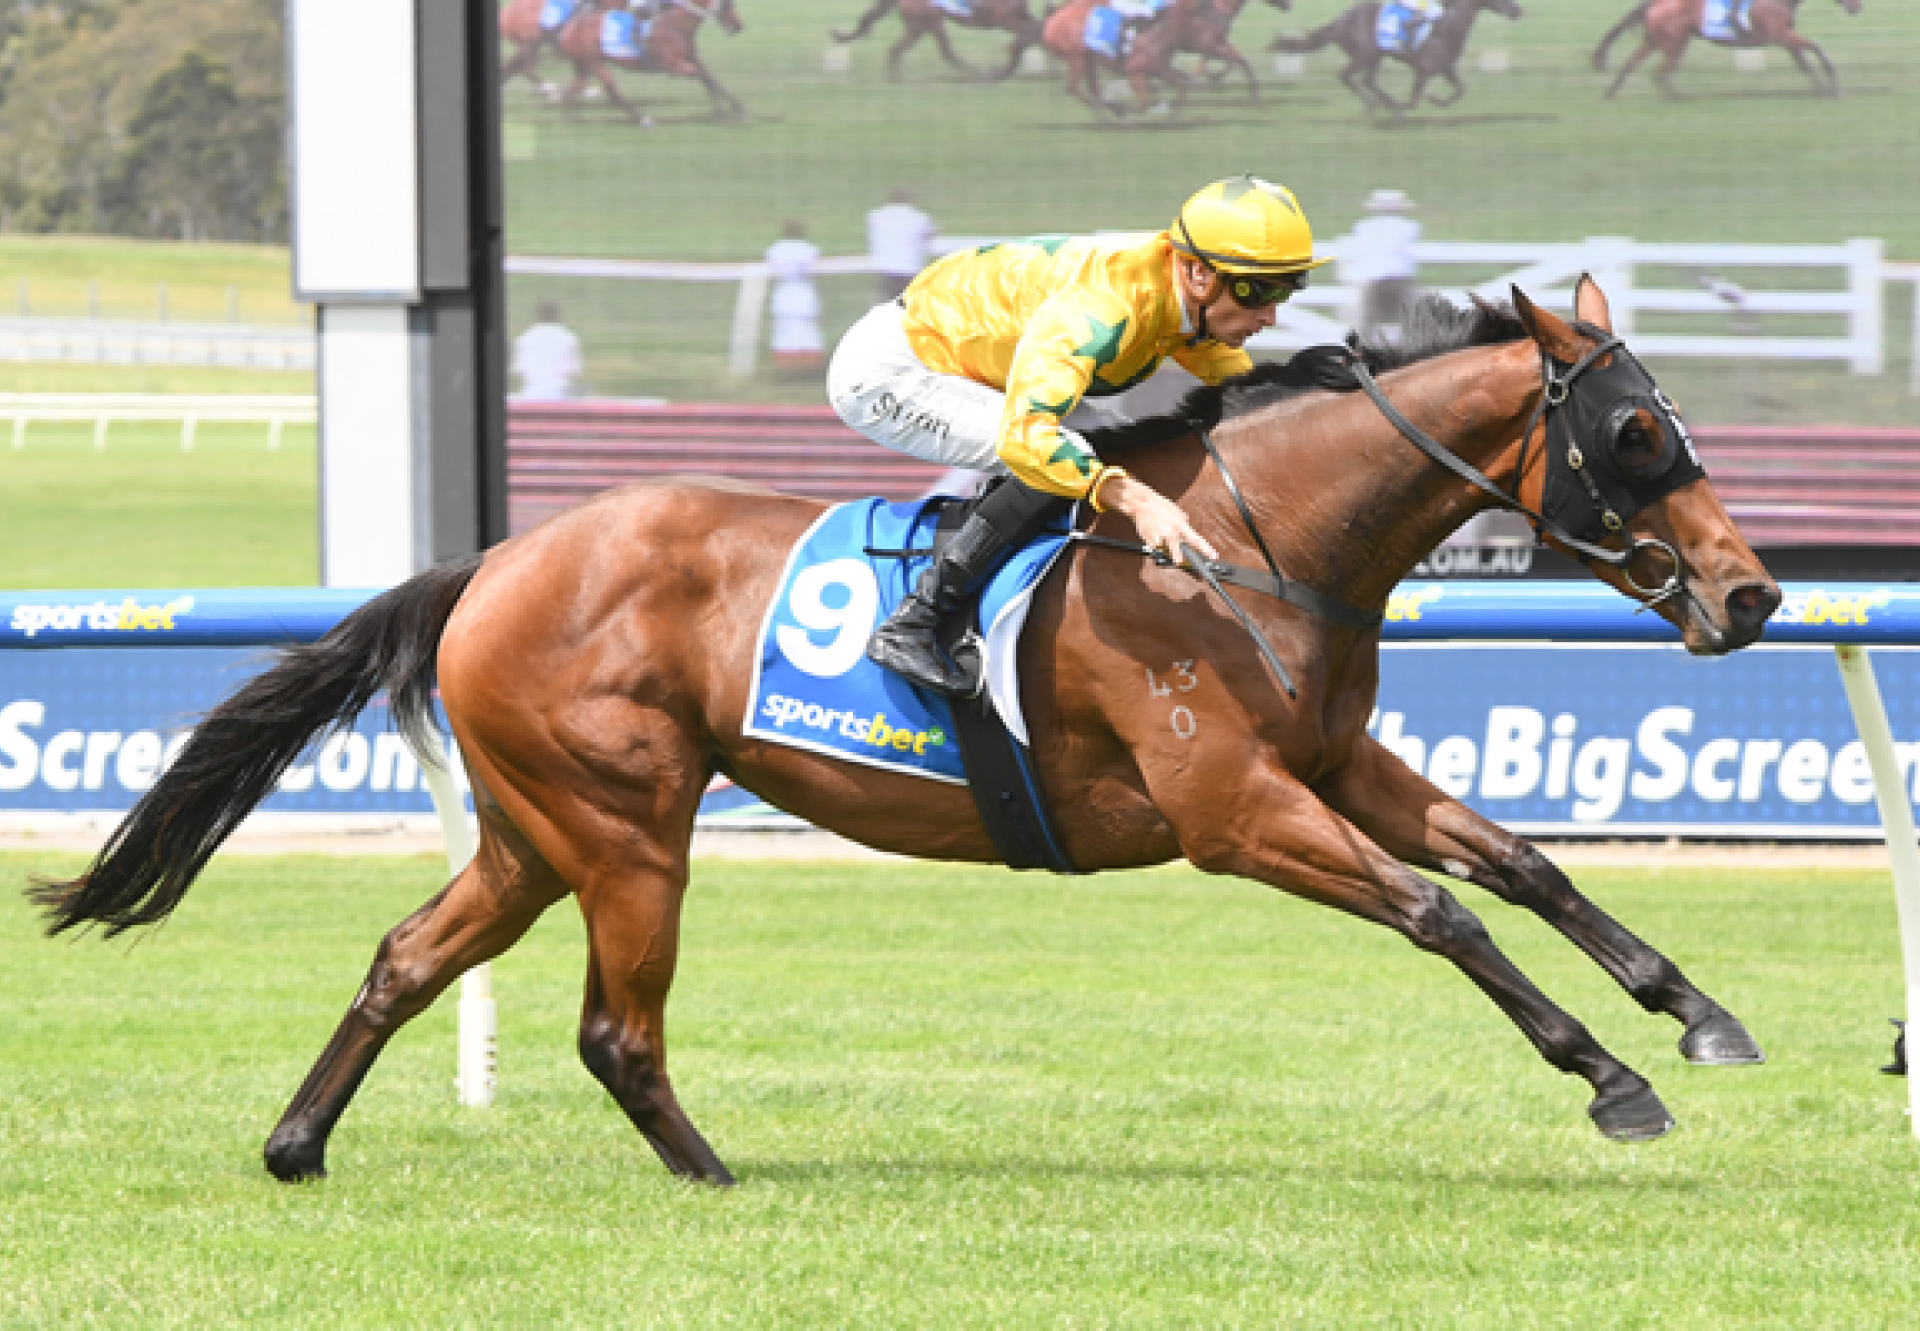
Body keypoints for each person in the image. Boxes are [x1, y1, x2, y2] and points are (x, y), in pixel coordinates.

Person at [827, 173, 1329, 697]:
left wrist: (1306, 394)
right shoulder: (1105, 309)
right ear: (1199, 275)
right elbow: (1028, 440)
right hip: (891, 374)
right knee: (1063, 458)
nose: (1271, 315)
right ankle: (916, 623)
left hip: (957, 356)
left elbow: (1237, 386)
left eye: (1287, 291)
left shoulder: (1179, 295)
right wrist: (1138, 502)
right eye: (1259, 292)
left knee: (1092, 452)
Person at [1344, 188, 1420, 345]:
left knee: (1367, 317)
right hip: (1400, 277)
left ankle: (1360, 348)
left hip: (1373, 277)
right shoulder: (1410, 226)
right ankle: (1412, 347)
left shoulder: (1363, 227)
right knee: (1410, 314)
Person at [764, 220, 825, 375]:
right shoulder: (810, 249)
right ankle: (810, 366)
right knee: (808, 329)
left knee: (783, 329)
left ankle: (784, 366)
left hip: (785, 292)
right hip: (803, 292)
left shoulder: (774, 250)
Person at [866, 188, 939, 305]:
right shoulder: (919, 217)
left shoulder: (876, 216)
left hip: (884, 268)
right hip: (909, 268)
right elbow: (930, 235)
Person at [512, 302, 582, 401]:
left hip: (530, 394)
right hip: (561, 395)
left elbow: (518, 369)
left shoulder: (524, 338)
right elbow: (574, 370)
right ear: (558, 316)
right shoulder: (568, 338)